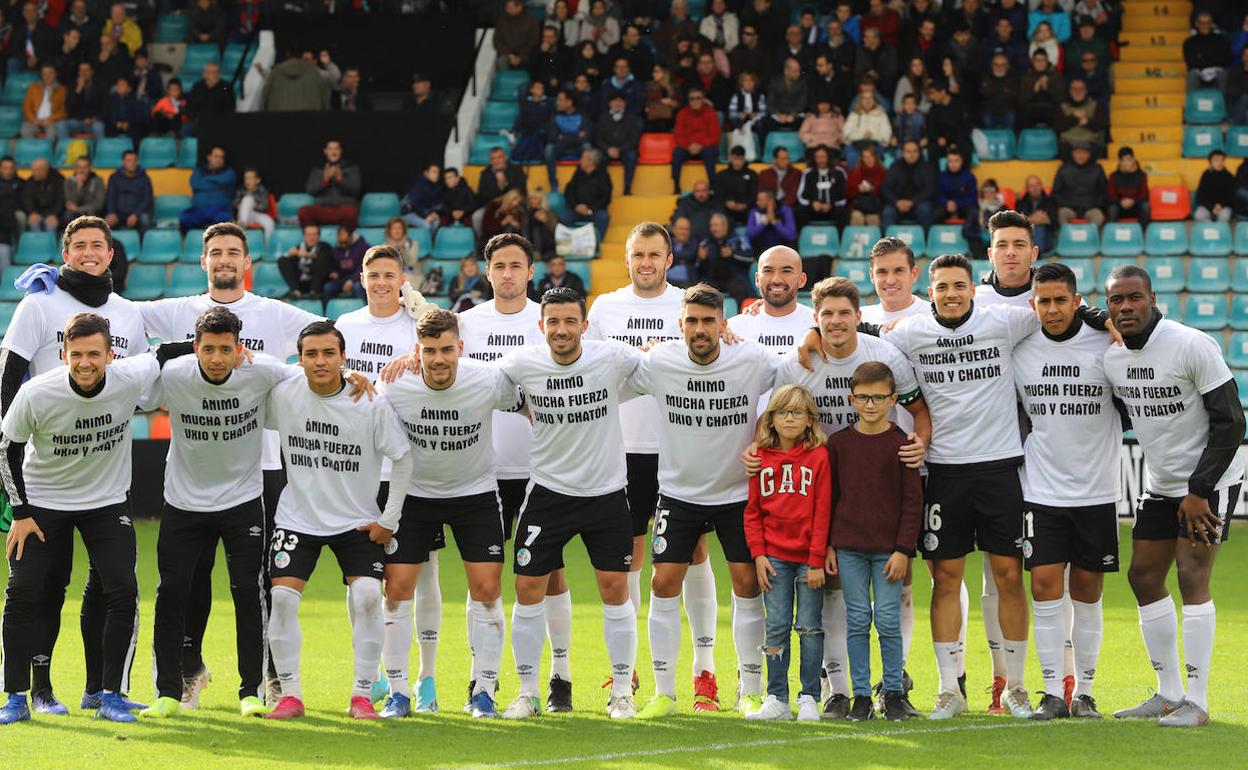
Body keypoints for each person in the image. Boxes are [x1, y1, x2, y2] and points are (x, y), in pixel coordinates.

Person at [135, 222, 325, 706]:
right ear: (204, 261)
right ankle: (187, 671)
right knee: (188, 584)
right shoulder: (179, 311)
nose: (224, 260)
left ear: (247, 262)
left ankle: (265, 679)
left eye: (233, 253)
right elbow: (122, 319)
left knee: (256, 585)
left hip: (258, 470)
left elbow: (326, 340)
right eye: (215, 252)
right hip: (194, 475)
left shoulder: (273, 314)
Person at [0, 216, 148, 716]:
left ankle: (102, 691)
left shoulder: (128, 314)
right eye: (78, 245)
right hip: (41, 478)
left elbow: (148, 376)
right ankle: (36, 691)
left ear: (111, 255)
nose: (88, 253)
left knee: (111, 585)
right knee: (39, 586)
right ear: (65, 253)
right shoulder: (38, 304)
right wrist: (14, 497)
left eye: (97, 246)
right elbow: (8, 381)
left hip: (104, 481)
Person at [136, 307, 297, 720]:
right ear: (195, 348)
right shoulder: (174, 374)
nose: (217, 358)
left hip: (242, 501)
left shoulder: (261, 372)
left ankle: (252, 690)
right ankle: (168, 692)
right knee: (172, 591)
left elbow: (313, 378)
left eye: (226, 349)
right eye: (208, 349)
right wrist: (165, 352)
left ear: (239, 348)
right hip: (183, 503)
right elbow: (131, 385)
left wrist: (354, 378)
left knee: (248, 590)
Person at [1103, 264, 1246, 728]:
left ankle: (1198, 702)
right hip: (1161, 485)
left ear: (1152, 298)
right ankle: (1168, 694)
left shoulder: (1190, 344)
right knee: (1143, 577)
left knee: (1190, 575)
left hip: (1211, 482)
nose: (1126, 307)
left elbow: (1231, 422)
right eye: (1116, 300)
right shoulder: (1114, 360)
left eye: (1135, 298)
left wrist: (1199, 488)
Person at [585, 223, 722, 706]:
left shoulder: (688, 305)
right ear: (627, 259)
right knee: (631, 559)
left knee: (693, 554)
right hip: (621, 451)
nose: (645, 262)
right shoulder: (605, 307)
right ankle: (632, 670)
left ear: (669, 259)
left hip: (680, 447)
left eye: (654, 254)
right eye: (638, 254)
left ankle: (704, 671)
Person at [629, 283, 778, 720]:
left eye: (708, 321)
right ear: (680, 325)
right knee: (662, 584)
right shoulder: (660, 361)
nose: (699, 329)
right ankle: (664, 692)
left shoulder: (751, 359)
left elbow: (797, 376)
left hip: (736, 495)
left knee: (748, 585)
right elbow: (610, 373)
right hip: (679, 494)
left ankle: (749, 690)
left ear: (723, 325)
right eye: (691, 320)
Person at [492, 287, 639, 720]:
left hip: (606, 494)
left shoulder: (612, 357)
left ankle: (621, 693)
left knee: (615, 591)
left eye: (569, 321)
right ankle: (527, 691)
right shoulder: (522, 363)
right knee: (526, 589)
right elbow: (478, 380)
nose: (561, 329)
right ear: (541, 327)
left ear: (583, 325)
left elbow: (660, 366)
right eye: (552, 322)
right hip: (548, 494)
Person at [260, 320, 413, 721]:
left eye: (329, 353)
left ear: (344, 358)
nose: (320, 361)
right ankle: (290, 695)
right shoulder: (283, 393)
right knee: (280, 598)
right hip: (298, 518)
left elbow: (403, 457)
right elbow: (248, 374)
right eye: (311, 354)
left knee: (366, 597)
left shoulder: (371, 402)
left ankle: (362, 695)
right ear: (300, 359)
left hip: (357, 521)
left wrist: (389, 520)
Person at [374, 308, 522, 719]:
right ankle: (399, 694)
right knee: (397, 589)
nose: (438, 359)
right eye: (428, 350)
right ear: (416, 351)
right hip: (416, 497)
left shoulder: (487, 379)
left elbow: (532, 400)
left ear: (461, 347)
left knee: (487, 589)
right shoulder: (394, 383)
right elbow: (360, 409)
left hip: (475, 493)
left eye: (446, 349)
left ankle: (484, 693)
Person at [459, 233, 572, 713]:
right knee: (481, 580)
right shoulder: (465, 324)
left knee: (550, 575)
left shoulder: (549, 323)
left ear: (531, 272)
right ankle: (479, 679)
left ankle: (560, 677)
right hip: (479, 469)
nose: (507, 274)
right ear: (487, 272)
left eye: (516, 266)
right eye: (499, 265)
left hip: (540, 469)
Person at [1011, 263, 1121, 721]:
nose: (1052, 309)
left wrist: (1105, 320)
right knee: (1043, 588)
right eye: (1043, 300)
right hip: (1041, 489)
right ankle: (1053, 690)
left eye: (1061, 300)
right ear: (1032, 303)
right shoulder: (1018, 348)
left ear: (1077, 301)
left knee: (1088, 592)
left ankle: (1086, 693)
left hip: (1097, 491)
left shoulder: (1107, 344)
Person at [825, 361, 922, 722]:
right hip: (848, 547)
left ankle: (893, 692)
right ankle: (861, 696)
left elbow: (913, 502)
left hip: (888, 551)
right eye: (863, 397)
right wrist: (830, 545)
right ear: (851, 398)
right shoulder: (839, 445)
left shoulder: (902, 444)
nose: (870, 405)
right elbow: (830, 499)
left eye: (878, 398)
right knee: (857, 619)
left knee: (887, 619)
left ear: (893, 399)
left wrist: (903, 550)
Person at [740, 384, 830, 722]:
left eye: (797, 412)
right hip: (774, 557)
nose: (789, 418)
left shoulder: (819, 456)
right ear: (771, 419)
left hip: (809, 557)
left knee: (809, 626)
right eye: (782, 412)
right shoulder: (760, 457)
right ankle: (777, 696)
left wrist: (818, 559)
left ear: (810, 420)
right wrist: (759, 554)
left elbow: (823, 512)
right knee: (776, 624)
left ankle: (809, 696)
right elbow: (752, 511)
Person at [727, 246, 814, 354]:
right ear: (757, 279)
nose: (776, 279)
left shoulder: (818, 326)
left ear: (802, 280)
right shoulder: (734, 329)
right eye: (768, 271)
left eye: (786, 271)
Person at [298, 140, 361, 231]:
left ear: (340, 151)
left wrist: (340, 179)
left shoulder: (351, 168)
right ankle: (313, 239)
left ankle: (344, 240)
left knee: (351, 212)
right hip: (323, 209)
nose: (333, 152)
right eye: (331, 149)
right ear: (325, 151)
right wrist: (325, 180)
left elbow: (356, 190)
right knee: (304, 212)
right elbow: (310, 190)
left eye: (336, 149)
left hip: (342, 209)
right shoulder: (318, 170)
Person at [671, 87, 720, 195]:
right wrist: (689, 145)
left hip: (705, 148)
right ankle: (676, 184)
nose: (695, 101)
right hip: (688, 148)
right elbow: (678, 135)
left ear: (703, 100)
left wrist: (700, 145)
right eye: (692, 99)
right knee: (677, 152)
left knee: (709, 152)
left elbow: (715, 135)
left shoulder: (710, 113)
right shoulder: (682, 113)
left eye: (698, 98)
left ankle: (712, 184)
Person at [936, 150, 982, 260]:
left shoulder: (969, 176)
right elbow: (936, 196)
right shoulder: (941, 177)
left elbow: (972, 199)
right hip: (946, 208)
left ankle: (977, 252)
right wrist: (947, 203)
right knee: (936, 213)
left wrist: (956, 204)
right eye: (950, 161)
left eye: (956, 161)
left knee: (973, 212)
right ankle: (940, 247)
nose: (953, 164)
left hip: (964, 208)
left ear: (961, 161)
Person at [594, 92, 641, 195]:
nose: (618, 103)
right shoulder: (603, 117)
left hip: (625, 150)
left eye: (621, 101)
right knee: (598, 158)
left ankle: (627, 188)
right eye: (615, 100)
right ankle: (602, 189)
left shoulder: (632, 118)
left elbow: (634, 139)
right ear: (610, 103)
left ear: (625, 103)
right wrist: (608, 149)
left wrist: (620, 149)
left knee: (632, 156)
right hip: (607, 150)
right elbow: (598, 138)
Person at [701, 212, 753, 305]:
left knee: (740, 288)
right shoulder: (706, 243)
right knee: (703, 290)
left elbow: (749, 259)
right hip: (713, 280)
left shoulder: (739, 240)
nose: (713, 229)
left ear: (725, 226)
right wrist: (702, 259)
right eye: (711, 226)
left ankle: (740, 317)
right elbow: (699, 270)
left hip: (734, 279)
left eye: (716, 225)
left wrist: (733, 254)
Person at [881, 140, 935, 230]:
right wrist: (897, 202)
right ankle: (888, 243)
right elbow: (885, 188)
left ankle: (926, 241)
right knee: (887, 212)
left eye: (915, 151)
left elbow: (930, 189)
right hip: (897, 204)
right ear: (903, 153)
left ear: (919, 153)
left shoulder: (927, 167)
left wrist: (912, 202)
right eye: (908, 151)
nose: (912, 154)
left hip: (918, 203)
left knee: (925, 209)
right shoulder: (895, 166)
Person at [180, 145, 236, 231]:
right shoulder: (199, 170)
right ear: (209, 157)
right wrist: (217, 185)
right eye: (216, 156)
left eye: (221, 157)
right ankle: (189, 243)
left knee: (225, 220)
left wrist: (206, 179)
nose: (219, 159)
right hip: (198, 210)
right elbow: (195, 183)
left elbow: (225, 180)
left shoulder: (229, 172)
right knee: (185, 218)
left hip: (219, 210)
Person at [545, 89, 591, 193]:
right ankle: (553, 183)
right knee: (549, 148)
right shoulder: (555, 117)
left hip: (577, 148)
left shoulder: (582, 117)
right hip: (561, 148)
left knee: (587, 147)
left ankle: (585, 181)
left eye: (560, 100)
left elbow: (586, 137)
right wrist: (576, 136)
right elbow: (552, 138)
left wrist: (564, 137)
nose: (557, 103)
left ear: (569, 102)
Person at [558, 148, 612, 236]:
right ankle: (567, 244)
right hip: (576, 209)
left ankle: (597, 243)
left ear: (591, 161)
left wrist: (590, 209)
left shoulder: (603, 176)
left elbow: (606, 197)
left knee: (604, 217)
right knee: (563, 218)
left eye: (583, 158)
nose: (580, 160)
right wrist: (576, 206)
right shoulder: (578, 173)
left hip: (594, 211)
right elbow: (569, 192)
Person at [1052, 143, 1107, 226]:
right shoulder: (1063, 169)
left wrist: (1093, 203)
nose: (1081, 156)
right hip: (1069, 207)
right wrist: (1069, 203)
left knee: (1098, 216)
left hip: (1091, 208)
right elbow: (1056, 193)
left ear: (1089, 154)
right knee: (1061, 214)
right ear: (1072, 154)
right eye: (1078, 152)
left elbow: (1104, 191)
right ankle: (1065, 238)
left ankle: (1092, 239)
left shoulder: (1097, 169)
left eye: (1084, 153)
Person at [795, 145, 847, 231]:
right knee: (799, 211)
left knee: (842, 212)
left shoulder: (839, 172)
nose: (820, 160)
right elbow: (801, 196)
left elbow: (844, 196)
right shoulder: (808, 173)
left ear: (828, 157)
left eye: (823, 157)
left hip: (832, 208)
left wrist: (831, 204)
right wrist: (812, 203)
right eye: (818, 157)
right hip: (813, 208)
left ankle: (840, 240)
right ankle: (800, 240)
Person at [278, 224, 333, 299]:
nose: (311, 237)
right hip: (301, 282)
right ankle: (295, 291)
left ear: (319, 236)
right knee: (282, 260)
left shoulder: (324, 246)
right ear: (304, 236)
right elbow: (287, 258)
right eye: (308, 235)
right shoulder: (299, 247)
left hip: (318, 283)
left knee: (322, 260)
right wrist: (290, 254)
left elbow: (325, 259)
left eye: (314, 234)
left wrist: (306, 254)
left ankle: (314, 292)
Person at [104, 150, 153, 232]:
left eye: (134, 160)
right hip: (118, 213)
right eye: (129, 160)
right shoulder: (114, 177)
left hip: (137, 213)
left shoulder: (145, 178)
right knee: (104, 223)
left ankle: (143, 244)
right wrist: (111, 212)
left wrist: (135, 214)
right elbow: (110, 196)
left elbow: (147, 199)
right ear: (123, 162)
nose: (132, 163)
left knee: (145, 219)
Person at [57, 60, 106, 140]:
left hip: (94, 122)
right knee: (61, 125)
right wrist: (78, 90)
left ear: (92, 72)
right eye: (81, 70)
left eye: (86, 70)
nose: (83, 73)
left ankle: (100, 151)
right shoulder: (73, 86)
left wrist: (93, 119)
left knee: (99, 127)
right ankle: (65, 150)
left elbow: (105, 109)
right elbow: (68, 107)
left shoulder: (101, 87)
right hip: (77, 121)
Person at [183, 61, 234, 137]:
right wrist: (195, 119)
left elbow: (230, 108)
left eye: (217, 72)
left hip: (218, 122)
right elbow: (190, 106)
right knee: (186, 129)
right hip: (199, 122)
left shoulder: (225, 87)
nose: (216, 75)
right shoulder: (197, 86)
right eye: (212, 72)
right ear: (205, 74)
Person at [1184, 11, 1231, 93]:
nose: (1204, 26)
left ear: (1211, 24)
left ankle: (1222, 104)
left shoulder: (1221, 40)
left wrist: (1203, 58)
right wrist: (1211, 59)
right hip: (1198, 72)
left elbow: (1226, 59)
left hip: (1217, 71)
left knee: (1223, 74)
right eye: (1202, 23)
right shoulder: (1189, 42)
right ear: (1197, 24)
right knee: (1192, 75)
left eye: (1207, 23)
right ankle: (1191, 103)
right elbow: (1191, 62)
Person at [1017, 49, 1064, 129]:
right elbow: (1021, 101)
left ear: (1047, 61)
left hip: (1050, 109)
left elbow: (1060, 99)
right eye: (1037, 61)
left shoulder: (1056, 76)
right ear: (1033, 62)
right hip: (1031, 109)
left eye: (1043, 60)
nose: (1040, 63)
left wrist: (1047, 89)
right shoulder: (1025, 77)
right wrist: (1034, 90)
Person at [712, 146, 757, 226]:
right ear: (731, 158)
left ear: (744, 159)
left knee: (755, 213)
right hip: (727, 209)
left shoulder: (752, 174)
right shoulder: (722, 175)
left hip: (746, 209)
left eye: (741, 159)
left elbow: (754, 194)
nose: (738, 162)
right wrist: (727, 203)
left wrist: (745, 204)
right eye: (735, 159)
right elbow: (718, 194)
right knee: (719, 213)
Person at [20, 64, 66, 138]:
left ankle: (47, 149)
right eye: (44, 73)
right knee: (25, 130)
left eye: (50, 73)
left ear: (56, 74)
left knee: (52, 132)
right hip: (35, 121)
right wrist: (34, 119)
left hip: (51, 121)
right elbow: (26, 107)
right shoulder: (34, 87)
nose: (47, 76)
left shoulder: (62, 90)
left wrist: (49, 119)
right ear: (41, 75)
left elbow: (63, 111)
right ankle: (33, 149)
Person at [322, 225, 367, 300]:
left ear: (351, 235)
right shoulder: (336, 250)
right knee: (328, 287)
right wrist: (334, 272)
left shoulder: (363, 247)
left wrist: (351, 280)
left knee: (358, 287)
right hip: (341, 280)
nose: (340, 237)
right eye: (339, 234)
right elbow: (334, 265)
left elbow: (363, 268)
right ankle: (326, 310)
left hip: (357, 279)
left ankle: (364, 308)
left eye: (343, 234)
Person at [1107, 147, 1150, 226]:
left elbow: (1144, 195)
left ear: (1133, 160)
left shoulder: (1142, 175)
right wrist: (1120, 202)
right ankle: (1112, 234)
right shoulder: (1113, 176)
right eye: (1122, 160)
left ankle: (1143, 233)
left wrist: (1133, 201)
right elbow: (1111, 195)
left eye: (1128, 159)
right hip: (1120, 207)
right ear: (1119, 162)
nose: (1126, 163)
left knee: (1145, 206)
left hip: (1136, 206)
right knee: (1112, 209)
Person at [21, 158, 64, 233]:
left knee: (51, 224)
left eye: (35, 170)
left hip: (54, 214)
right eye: (33, 170)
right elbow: (27, 199)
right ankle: (37, 243)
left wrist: (54, 214)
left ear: (44, 170)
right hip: (36, 212)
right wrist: (32, 212)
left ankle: (50, 243)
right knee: (33, 222)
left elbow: (60, 201)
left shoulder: (59, 180)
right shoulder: (30, 181)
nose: (33, 173)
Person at [1016, 175, 1056, 254]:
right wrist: (1032, 219)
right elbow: (1018, 224)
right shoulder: (1021, 203)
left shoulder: (1051, 201)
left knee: (1040, 227)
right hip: (1026, 236)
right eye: (1031, 186)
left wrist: (1047, 220)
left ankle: (1036, 252)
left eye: (1037, 184)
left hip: (1047, 236)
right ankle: (1035, 251)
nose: (1035, 188)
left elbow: (1056, 223)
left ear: (1041, 186)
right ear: (1027, 188)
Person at [846, 146, 884, 226]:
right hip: (857, 206)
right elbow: (847, 193)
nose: (868, 159)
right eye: (865, 157)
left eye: (870, 156)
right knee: (857, 217)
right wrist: (858, 190)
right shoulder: (855, 172)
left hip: (875, 206)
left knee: (873, 219)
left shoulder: (882, 172)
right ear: (861, 159)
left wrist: (873, 189)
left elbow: (885, 192)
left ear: (875, 157)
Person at [1194, 149, 1235, 223]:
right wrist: (1211, 208)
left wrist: (1221, 205)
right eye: (1216, 160)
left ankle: (1219, 230)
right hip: (1208, 206)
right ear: (1211, 162)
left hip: (1223, 207)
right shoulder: (1206, 175)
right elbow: (1201, 194)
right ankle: (1212, 227)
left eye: (1222, 160)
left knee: (1224, 216)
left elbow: (1231, 196)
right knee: (1198, 215)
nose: (1219, 162)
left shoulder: (1229, 176)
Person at [980, 53, 1018, 129]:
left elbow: (1013, 95)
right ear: (992, 66)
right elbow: (984, 93)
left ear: (1007, 66)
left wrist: (993, 89)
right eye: (996, 64)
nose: (999, 67)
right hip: (989, 110)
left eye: (1002, 65)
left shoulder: (1013, 78)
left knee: (1012, 118)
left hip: (1007, 110)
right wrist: (1002, 89)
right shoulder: (984, 77)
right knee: (985, 120)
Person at [401, 163, 444, 233]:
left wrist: (434, 214)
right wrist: (426, 215)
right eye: (434, 172)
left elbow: (439, 205)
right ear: (426, 173)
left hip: (422, 214)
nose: (437, 175)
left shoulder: (435, 186)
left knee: (436, 222)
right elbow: (413, 204)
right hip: (408, 214)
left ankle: (428, 242)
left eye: (438, 172)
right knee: (426, 225)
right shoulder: (419, 184)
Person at [234, 168, 275, 241]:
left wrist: (255, 206)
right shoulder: (241, 190)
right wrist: (239, 205)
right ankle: (242, 227)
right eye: (246, 178)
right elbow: (235, 203)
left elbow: (264, 206)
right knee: (247, 199)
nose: (248, 181)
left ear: (257, 180)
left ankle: (267, 247)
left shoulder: (262, 191)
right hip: (243, 216)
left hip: (256, 214)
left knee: (269, 222)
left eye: (250, 178)